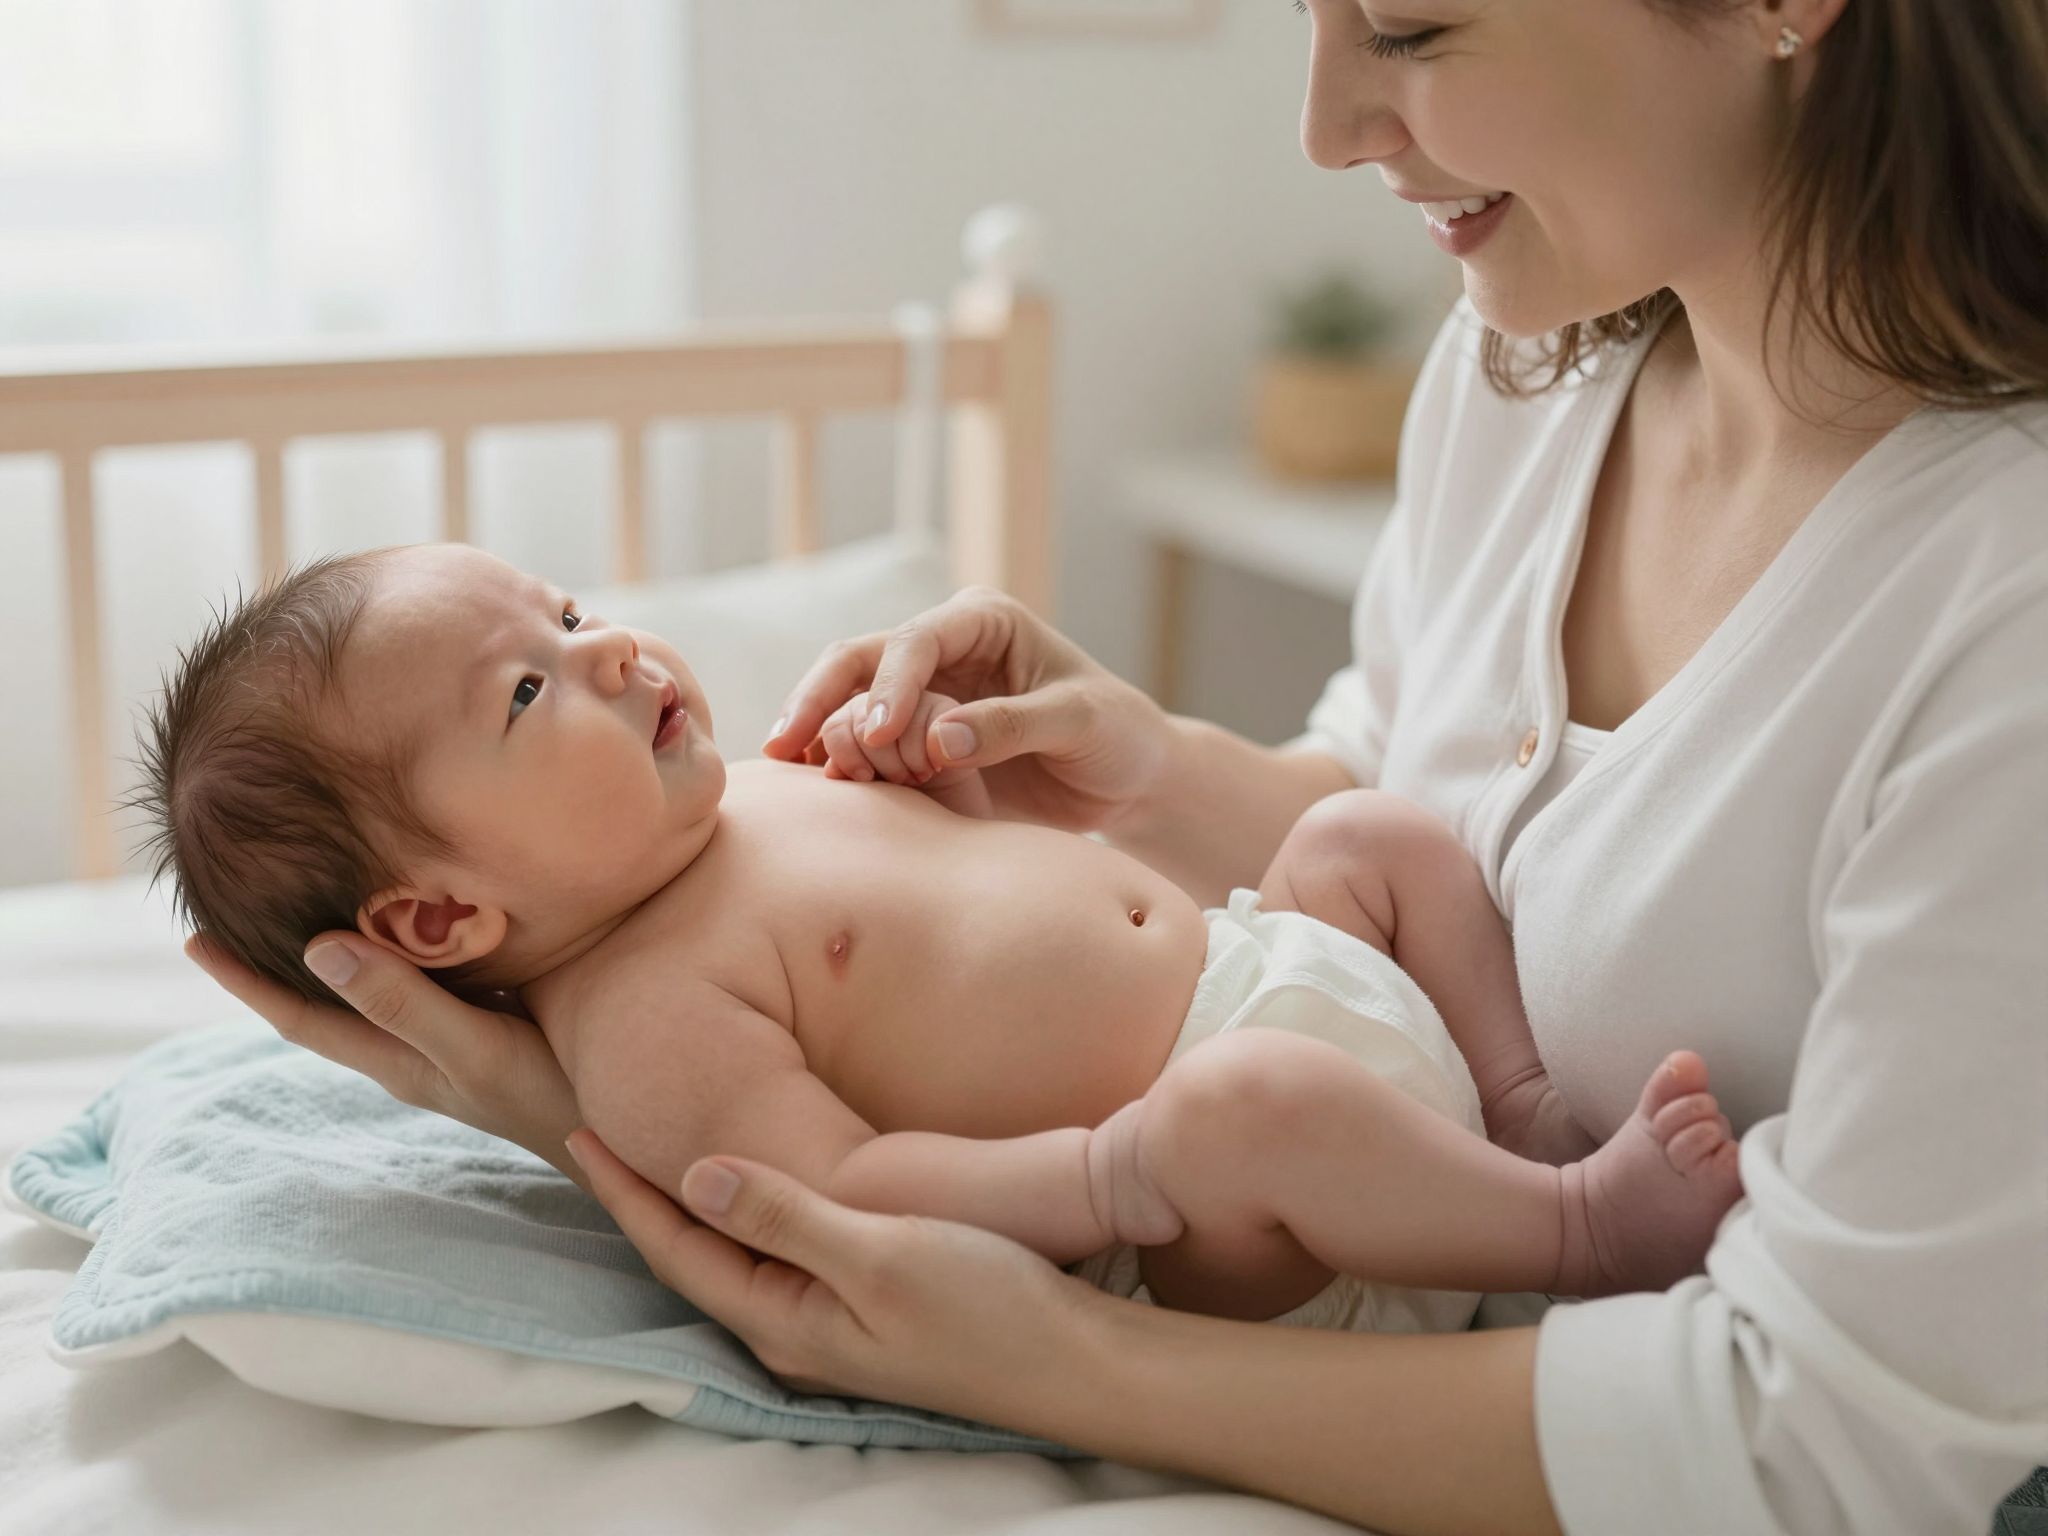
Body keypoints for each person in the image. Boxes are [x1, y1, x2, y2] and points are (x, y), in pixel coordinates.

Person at [188, 0, 2048, 1530]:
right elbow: (1441, 806)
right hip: (1297, 1133)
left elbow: (1824, 1450)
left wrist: (1060, 1363)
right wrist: (1143, 769)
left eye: (1409, 27)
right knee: (1353, 872)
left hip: (1555, 1331)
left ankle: (1553, 1183)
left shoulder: (1999, 600)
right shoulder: (1529, 369)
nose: (1322, 128)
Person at [150, 539, 1740, 1336]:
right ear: (441, 917)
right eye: (527, 690)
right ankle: (1577, 1237)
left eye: (566, 614)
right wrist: (1110, 1177)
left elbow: (974, 924)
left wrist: (955, 798)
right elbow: (841, 1189)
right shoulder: (643, 1017)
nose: (612, 650)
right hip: (1238, 1217)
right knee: (1253, 1104)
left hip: (1266, 965)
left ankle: (1523, 1107)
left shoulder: (762, 790)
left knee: (1369, 837)